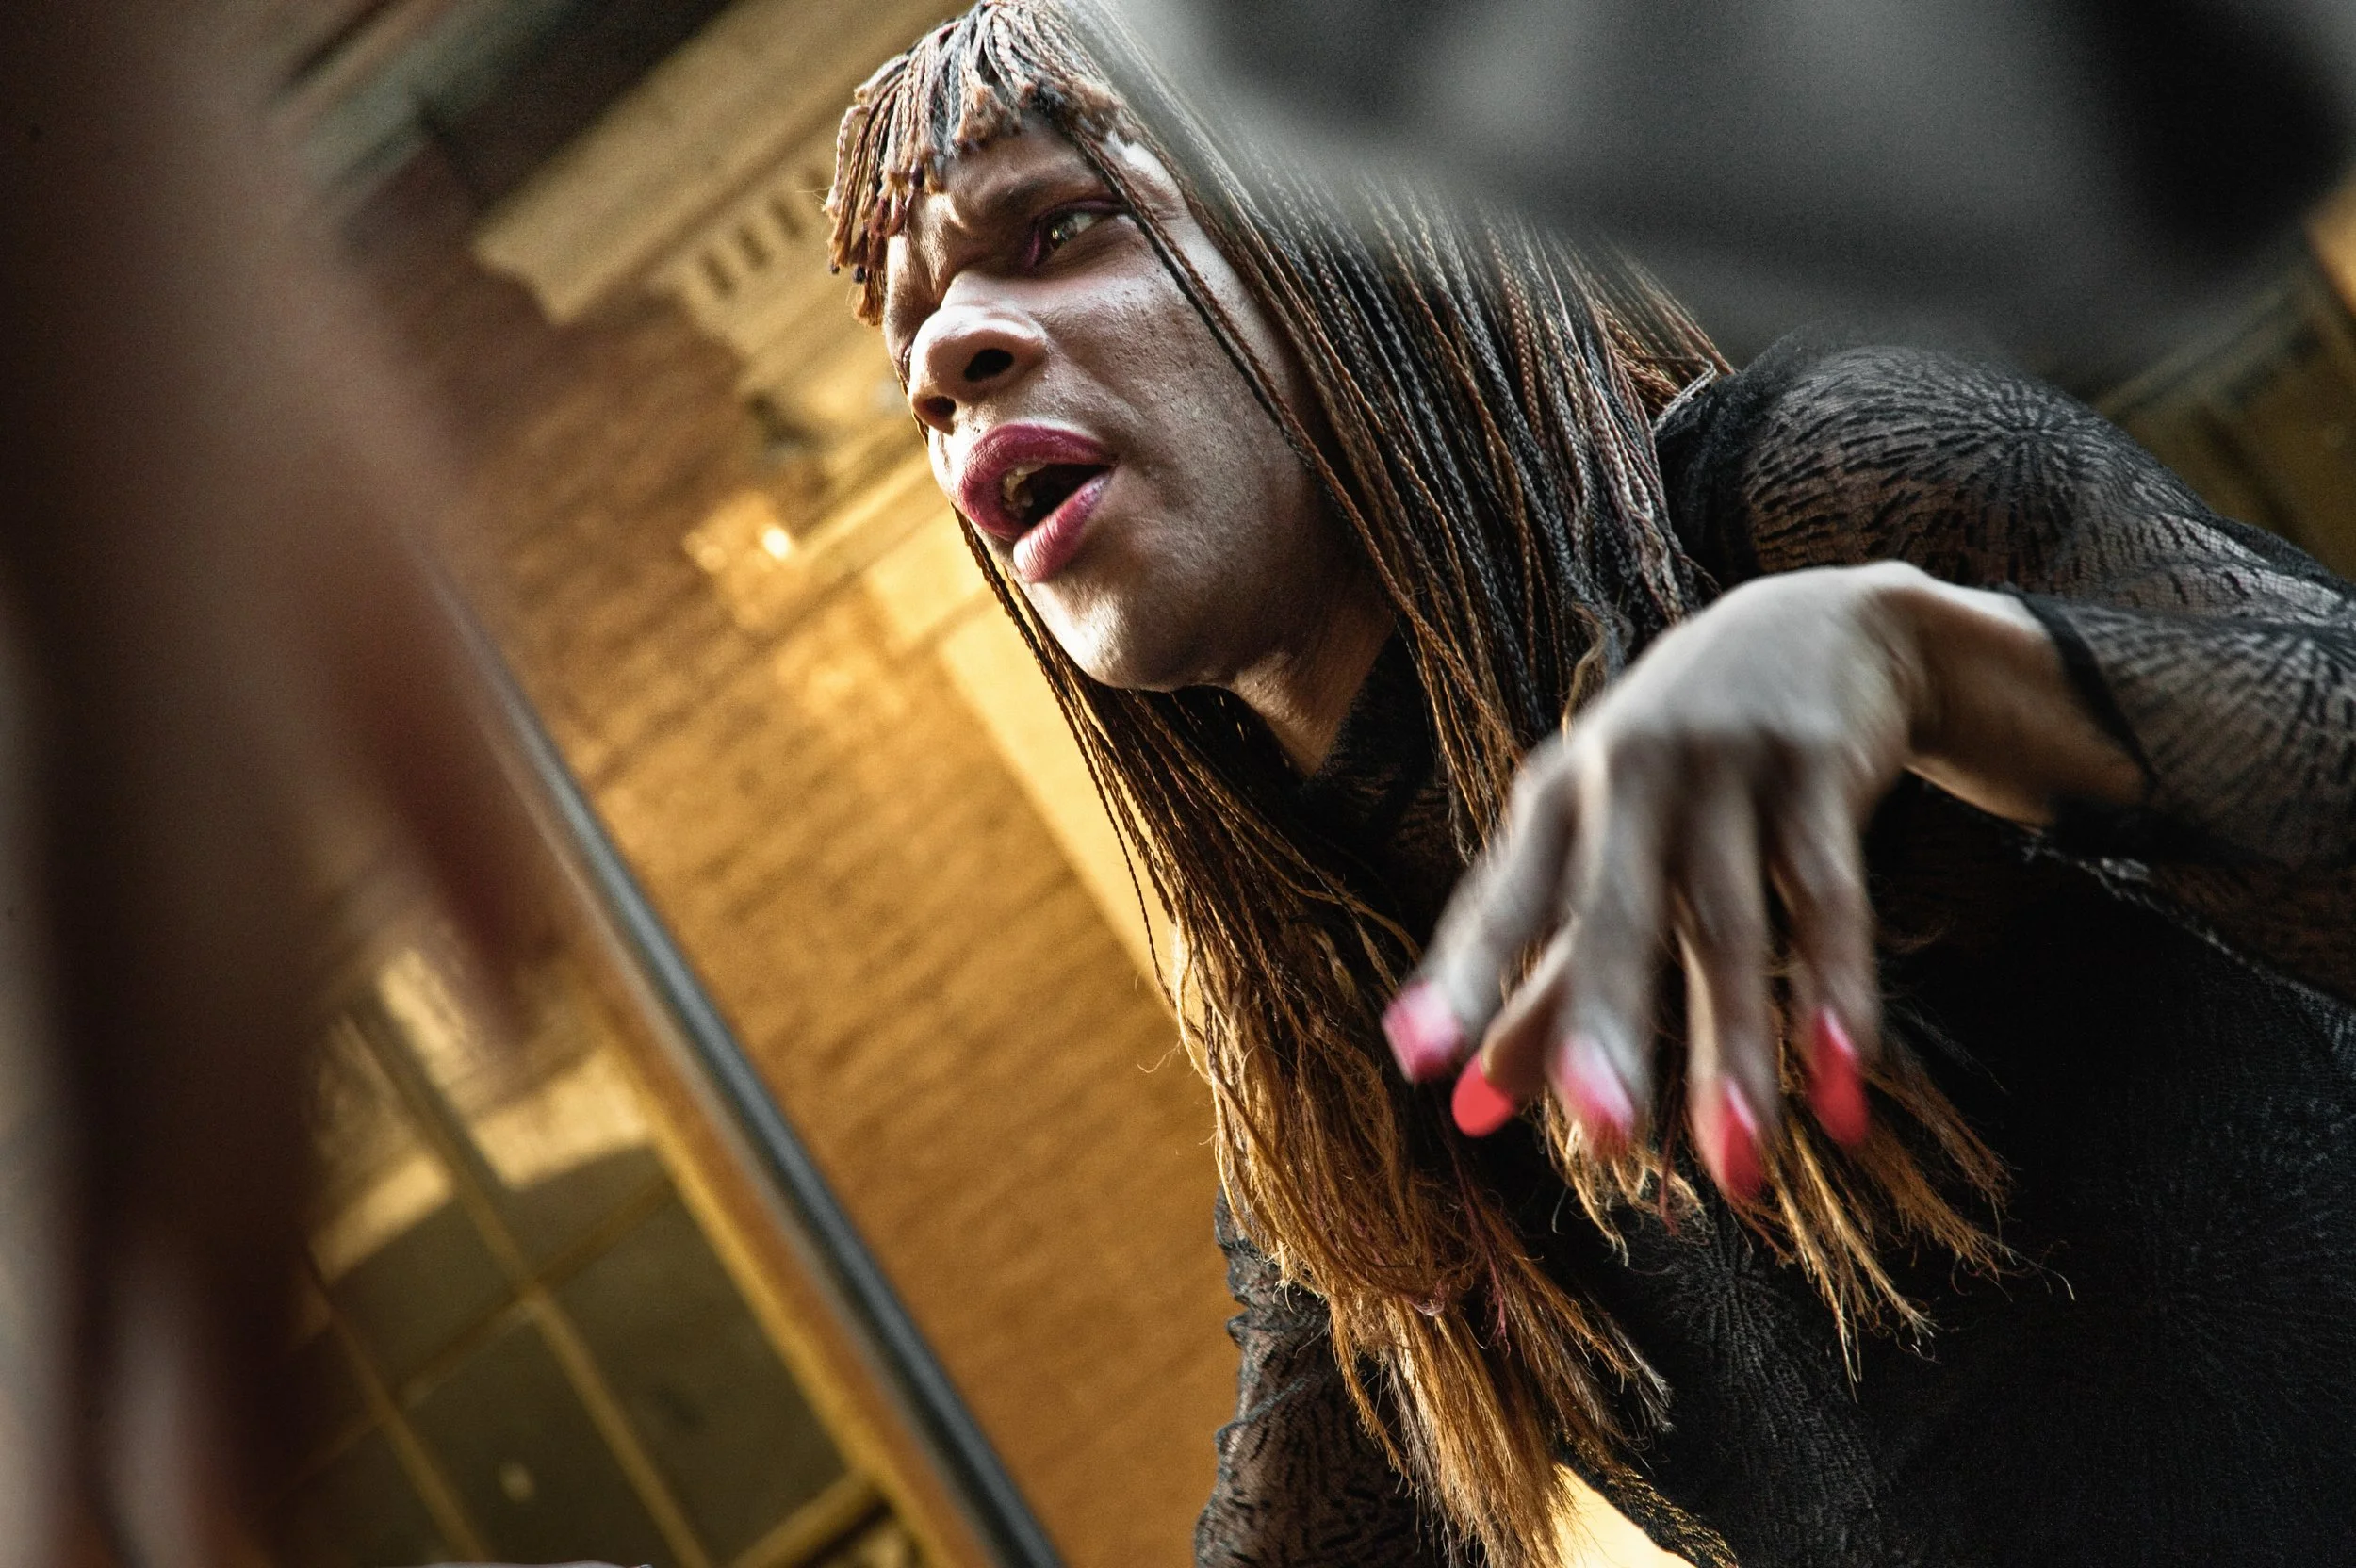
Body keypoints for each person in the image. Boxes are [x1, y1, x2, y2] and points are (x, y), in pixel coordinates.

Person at [826, 3, 2356, 1566]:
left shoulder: (1823, 492)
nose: (948, 361)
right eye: (913, 369)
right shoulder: (1341, 1074)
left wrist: (1930, 669)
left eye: (1062, 222)